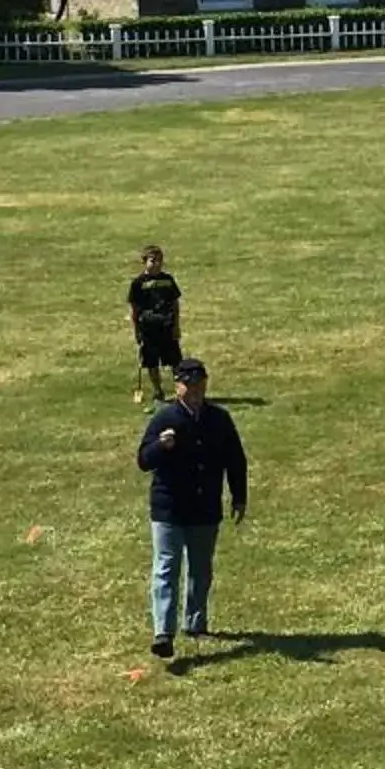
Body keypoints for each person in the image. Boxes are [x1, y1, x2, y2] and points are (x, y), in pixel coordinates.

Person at [136, 357, 246, 659]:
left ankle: (195, 622)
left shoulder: (219, 419)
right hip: (169, 509)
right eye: (189, 385)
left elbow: (235, 459)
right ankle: (163, 632)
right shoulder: (164, 418)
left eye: (200, 385)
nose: (196, 391)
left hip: (205, 508)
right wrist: (161, 446)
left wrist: (239, 496)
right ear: (178, 386)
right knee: (166, 568)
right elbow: (144, 460)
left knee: (200, 569)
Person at [126, 246, 184, 407]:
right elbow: (134, 309)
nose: (157, 264)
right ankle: (158, 391)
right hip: (148, 329)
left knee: (175, 362)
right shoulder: (138, 283)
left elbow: (175, 303)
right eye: (153, 260)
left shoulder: (168, 280)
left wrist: (176, 326)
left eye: (160, 260)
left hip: (167, 326)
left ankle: (181, 391)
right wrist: (137, 330)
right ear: (145, 262)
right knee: (151, 362)